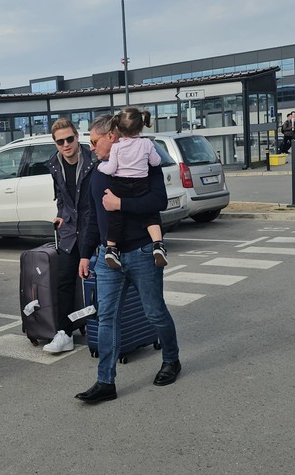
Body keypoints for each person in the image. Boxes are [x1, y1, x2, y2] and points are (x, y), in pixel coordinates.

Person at [74, 114, 181, 403]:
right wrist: (85, 255)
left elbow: (158, 202)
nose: (92, 147)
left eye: (95, 141)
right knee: (107, 316)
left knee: (154, 311)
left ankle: (171, 360)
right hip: (108, 257)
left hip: (144, 251)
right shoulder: (97, 171)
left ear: (112, 136)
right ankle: (105, 381)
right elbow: (92, 218)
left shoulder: (145, 164)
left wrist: (121, 203)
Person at [43, 118, 95, 354]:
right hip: (69, 232)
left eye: (69, 139)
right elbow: (62, 198)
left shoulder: (93, 160)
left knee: (100, 281)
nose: (66, 144)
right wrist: (61, 215)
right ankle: (64, 333)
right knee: (63, 282)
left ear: (77, 137)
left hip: (93, 229)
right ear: (55, 143)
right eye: (60, 141)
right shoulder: (54, 165)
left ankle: (102, 328)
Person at [96, 107, 166, 269]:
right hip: (141, 183)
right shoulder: (147, 143)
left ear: (118, 129)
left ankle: (111, 248)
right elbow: (156, 162)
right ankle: (158, 244)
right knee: (150, 215)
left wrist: (101, 167)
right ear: (141, 126)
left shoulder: (117, 147)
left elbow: (111, 169)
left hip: (120, 184)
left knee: (115, 216)